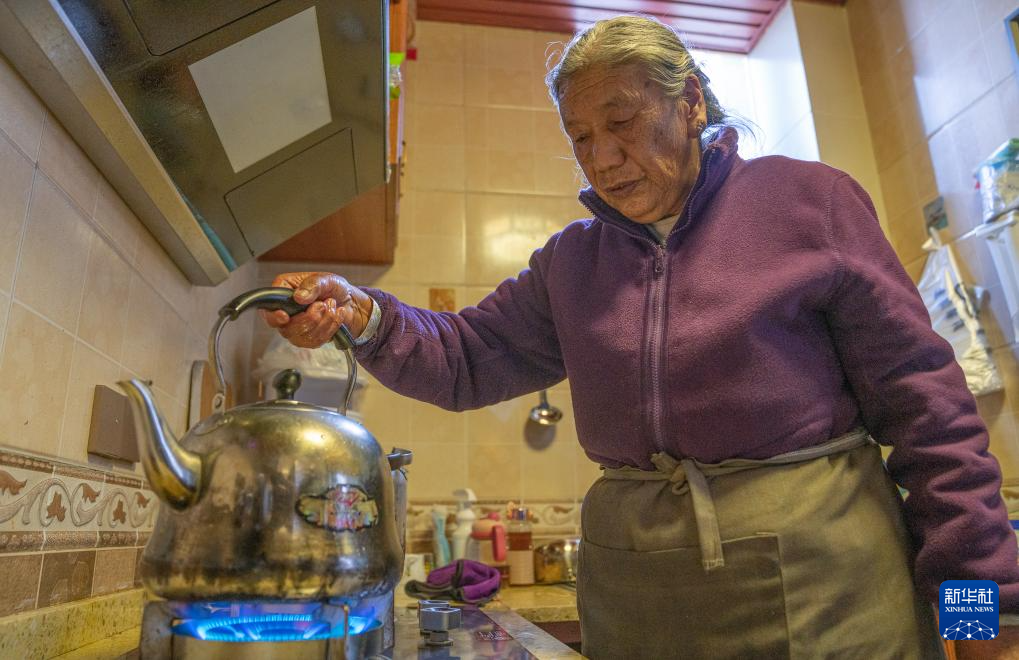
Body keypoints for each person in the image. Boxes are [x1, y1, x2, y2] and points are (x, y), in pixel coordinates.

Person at [263, 15, 1019, 658]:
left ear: (690, 102)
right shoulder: (571, 263)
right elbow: (464, 357)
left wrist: (982, 617)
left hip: (826, 591)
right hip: (637, 599)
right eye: (580, 136)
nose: (600, 156)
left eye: (620, 122)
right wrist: (361, 315)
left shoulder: (808, 202)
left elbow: (930, 414)